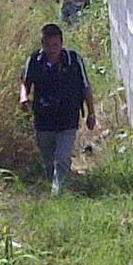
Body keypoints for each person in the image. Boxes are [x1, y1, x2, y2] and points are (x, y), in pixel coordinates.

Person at [20, 23, 96, 195]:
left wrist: (91, 113)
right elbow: (25, 83)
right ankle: (53, 182)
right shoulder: (34, 61)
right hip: (44, 119)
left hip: (68, 118)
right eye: (48, 45)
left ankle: (58, 193)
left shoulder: (74, 60)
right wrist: (24, 98)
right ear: (42, 44)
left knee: (62, 157)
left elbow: (86, 87)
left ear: (61, 44)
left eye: (56, 45)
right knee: (48, 160)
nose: (52, 49)